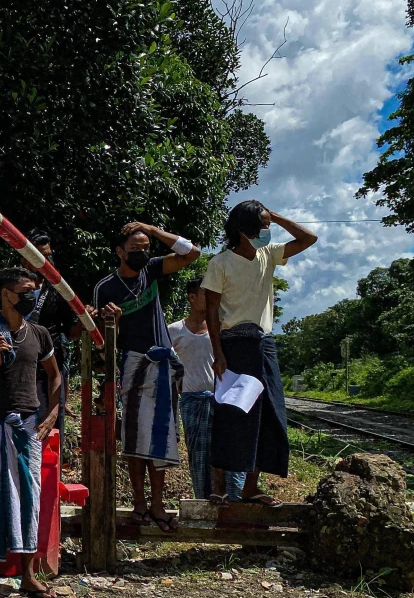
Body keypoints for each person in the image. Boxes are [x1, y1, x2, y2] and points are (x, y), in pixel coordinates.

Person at [87, 221, 200, 531]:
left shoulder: (151, 270)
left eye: (146, 248)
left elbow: (192, 253)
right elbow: (103, 342)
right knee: (136, 439)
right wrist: (115, 322)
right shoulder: (105, 288)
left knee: (162, 438)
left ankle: (158, 504)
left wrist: (153, 229)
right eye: (135, 249)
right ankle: (139, 501)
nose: (142, 253)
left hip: (161, 365)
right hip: (133, 365)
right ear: (119, 252)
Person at [203, 201, 317, 507]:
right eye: (263, 225)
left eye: (269, 224)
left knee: (267, 415)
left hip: (263, 343)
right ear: (243, 230)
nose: (268, 230)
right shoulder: (220, 263)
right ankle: (219, 488)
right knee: (232, 413)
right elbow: (211, 309)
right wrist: (217, 351)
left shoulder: (269, 254)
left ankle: (251, 488)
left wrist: (276, 216)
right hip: (233, 343)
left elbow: (308, 239)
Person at [0, 267, 61, 598]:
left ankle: (29, 575)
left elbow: (54, 376)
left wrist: (52, 414)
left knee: (29, 500)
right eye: (24, 290)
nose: (31, 296)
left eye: (33, 290)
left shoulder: (40, 333)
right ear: (6, 294)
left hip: (29, 427)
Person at [168, 278, 246, 503]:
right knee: (199, 453)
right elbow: (166, 364)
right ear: (192, 298)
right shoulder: (175, 330)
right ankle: (204, 499)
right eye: (206, 295)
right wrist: (178, 382)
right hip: (192, 400)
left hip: (222, 398)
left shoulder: (223, 327)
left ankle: (233, 497)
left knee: (228, 449)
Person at [25, 230, 76, 442]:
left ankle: (51, 473)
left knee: (50, 431)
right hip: (18, 369)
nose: (45, 261)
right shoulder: (10, 286)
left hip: (49, 369)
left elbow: (71, 332)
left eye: (48, 255)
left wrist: (83, 319)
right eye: (40, 256)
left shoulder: (59, 289)